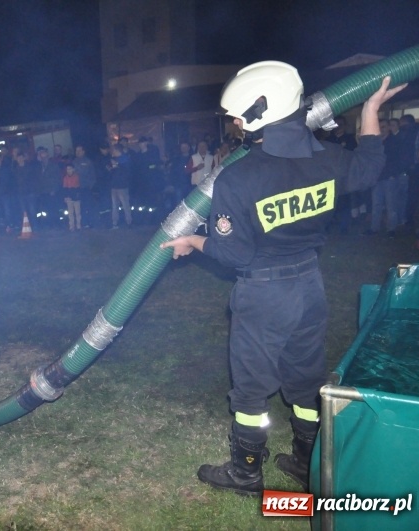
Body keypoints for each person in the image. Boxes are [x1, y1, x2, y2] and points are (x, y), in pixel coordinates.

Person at [160, 64, 404, 496]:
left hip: (264, 294)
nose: (236, 124)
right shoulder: (327, 157)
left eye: (239, 116)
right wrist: (371, 109)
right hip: (310, 287)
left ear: (260, 112)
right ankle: (307, 462)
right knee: (306, 380)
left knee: (251, 388)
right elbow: (369, 167)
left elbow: (234, 253)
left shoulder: (238, 177)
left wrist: (194, 241)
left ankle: (245, 473)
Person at [62, 163, 82, 231]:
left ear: (73, 169)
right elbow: (65, 188)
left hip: (76, 197)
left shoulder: (76, 177)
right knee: (70, 213)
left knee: (77, 213)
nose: (68, 170)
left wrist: (75, 196)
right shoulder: (65, 178)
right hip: (69, 197)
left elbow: (77, 187)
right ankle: (71, 226)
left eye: (70, 169)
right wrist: (65, 197)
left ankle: (78, 226)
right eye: (67, 169)